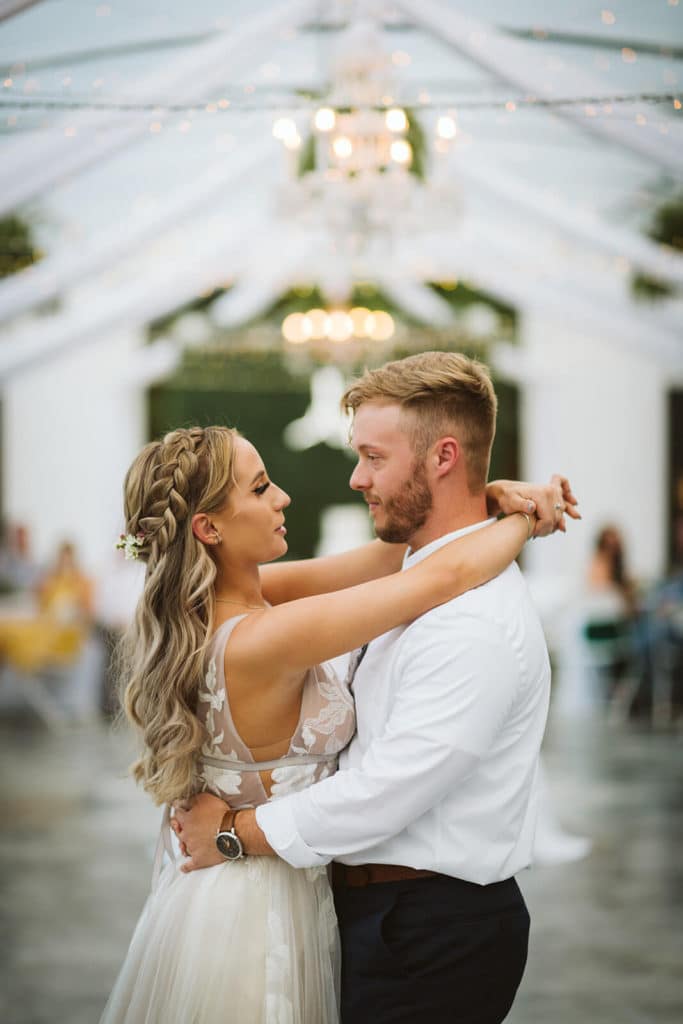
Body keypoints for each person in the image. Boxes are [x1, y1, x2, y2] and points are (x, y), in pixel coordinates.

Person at [174, 352, 578, 1024]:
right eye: (259, 487)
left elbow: (388, 789)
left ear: (442, 456)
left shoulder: (469, 620)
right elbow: (429, 574)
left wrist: (236, 833)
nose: (355, 478)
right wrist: (507, 511)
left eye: (372, 456)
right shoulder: (401, 581)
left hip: (429, 930)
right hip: (364, 915)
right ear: (206, 529)